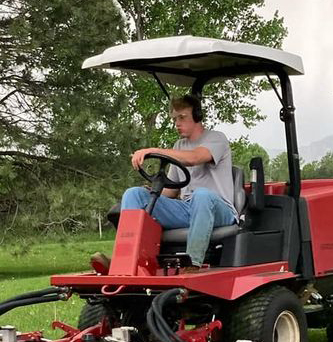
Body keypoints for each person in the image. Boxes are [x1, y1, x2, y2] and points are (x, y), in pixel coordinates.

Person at [93, 94, 237, 271]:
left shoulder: (216, 138)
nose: (177, 123)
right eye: (175, 119)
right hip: (188, 209)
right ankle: (125, 261)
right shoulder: (179, 146)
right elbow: (171, 190)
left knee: (202, 195)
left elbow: (194, 158)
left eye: (182, 117)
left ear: (197, 116)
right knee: (134, 194)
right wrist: (152, 191)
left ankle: (192, 263)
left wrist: (152, 150)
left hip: (220, 209)